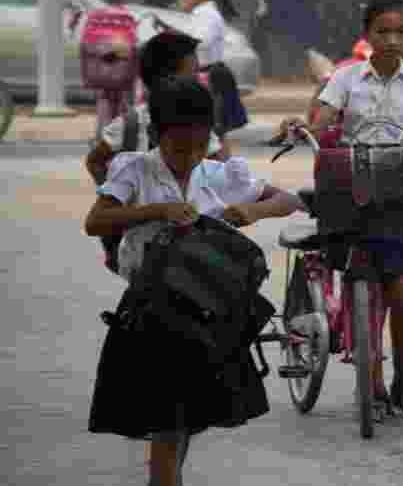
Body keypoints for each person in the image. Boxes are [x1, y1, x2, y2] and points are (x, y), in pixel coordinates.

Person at [84, 76, 305, 486]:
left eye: (198, 147)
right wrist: (157, 210)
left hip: (208, 312)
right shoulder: (134, 169)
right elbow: (95, 220)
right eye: (177, 148)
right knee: (169, 421)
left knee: (184, 420)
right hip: (153, 311)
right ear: (157, 136)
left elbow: (288, 200)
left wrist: (250, 212)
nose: (188, 158)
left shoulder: (219, 173)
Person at [278, 0, 403, 418]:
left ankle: (402, 381)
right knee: (367, 291)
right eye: (382, 31)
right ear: (367, 35)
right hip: (353, 190)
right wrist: (302, 125)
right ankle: (370, 385)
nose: (392, 40)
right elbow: (320, 118)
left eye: (400, 31)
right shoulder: (346, 78)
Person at [85, 30, 226, 186]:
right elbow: (95, 162)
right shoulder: (130, 125)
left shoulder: (197, 123)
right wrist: (116, 195)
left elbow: (219, 173)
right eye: (192, 75)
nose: (198, 81)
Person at [182, 0, 249, 136]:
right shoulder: (201, 14)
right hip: (205, 76)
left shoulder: (208, 15)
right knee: (212, 136)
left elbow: (201, 42)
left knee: (212, 134)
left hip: (209, 79)